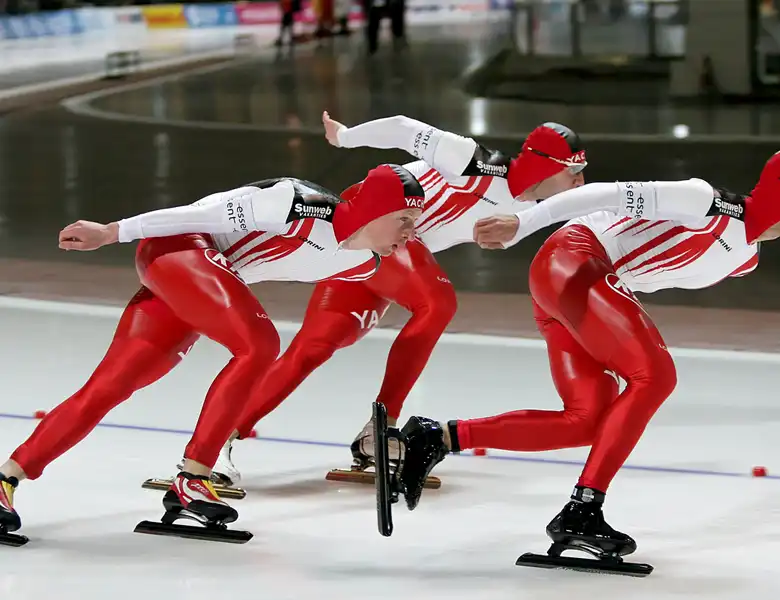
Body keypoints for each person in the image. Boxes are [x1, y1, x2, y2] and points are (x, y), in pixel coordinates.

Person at [384, 147, 780, 574]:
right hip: (574, 261)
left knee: (588, 421)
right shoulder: (705, 202)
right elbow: (607, 193)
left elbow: (645, 270)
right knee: (655, 377)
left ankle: (437, 437)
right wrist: (524, 221)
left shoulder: (744, 260)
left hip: (574, 283)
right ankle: (583, 510)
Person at [0, 164, 425, 547]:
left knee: (111, 386)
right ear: (374, 209)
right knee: (259, 343)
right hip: (178, 246)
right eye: (404, 219)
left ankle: (6, 478)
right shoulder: (297, 203)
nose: (411, 232)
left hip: (201, 277)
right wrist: (112, 231)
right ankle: (195, 477)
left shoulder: (361, 265)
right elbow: (195, 215)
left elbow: (340, 312)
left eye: (416, 223)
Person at [202, 111, 586, 492]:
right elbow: (404, 128)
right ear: (546, 166)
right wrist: (346, 137)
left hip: (389, 250)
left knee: (315, 345)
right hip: (368, 226)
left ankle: (218, 441)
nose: (581, 181)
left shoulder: (536, 208)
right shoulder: (472, 160)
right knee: (437, 303)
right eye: (575, 171)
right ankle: (381, 428)